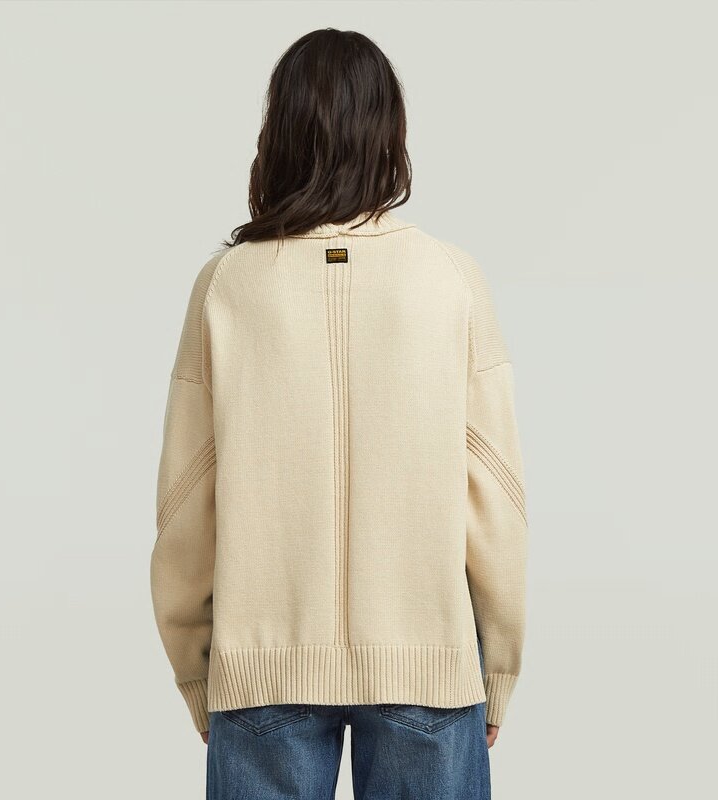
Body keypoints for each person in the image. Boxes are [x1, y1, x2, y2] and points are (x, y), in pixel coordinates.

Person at [150, 27, 528, 800]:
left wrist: (198, 668)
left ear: (280, 132)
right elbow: (496, 497)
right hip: (427, 664)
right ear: (390, 132)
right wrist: (496, 667)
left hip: (263, 669)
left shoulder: (227, 286)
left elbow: (185, 500)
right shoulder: (451, 279)